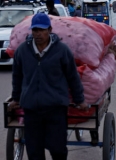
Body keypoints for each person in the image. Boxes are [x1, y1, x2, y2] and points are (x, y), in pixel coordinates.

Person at [8, 13, 89, 160]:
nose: (38, 34)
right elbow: (17, 77)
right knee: (34, 152)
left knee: (57, 149)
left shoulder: (62, 51)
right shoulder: (22, 51)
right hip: (31, 108)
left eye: (41, 30)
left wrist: (79, 99)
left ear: (50, 30)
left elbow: (72, 76)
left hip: (55, 108)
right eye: (35, 30)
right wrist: (16, 98)